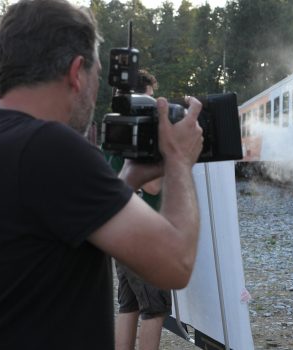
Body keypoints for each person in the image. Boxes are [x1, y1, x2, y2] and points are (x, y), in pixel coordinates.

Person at [0, 0, 204, 348]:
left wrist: (128, 178)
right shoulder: (48, 146)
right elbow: (176, 263)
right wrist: (180, 162)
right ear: (76, 72)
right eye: (96, 75)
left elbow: (52, 236)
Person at [110, 69, 170, 350]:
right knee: (155, 308)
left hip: (120, 231)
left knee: (129, 304)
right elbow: (155, 186)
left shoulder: (114, 132)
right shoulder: (143, 139)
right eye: (148, 101)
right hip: (142, 235)